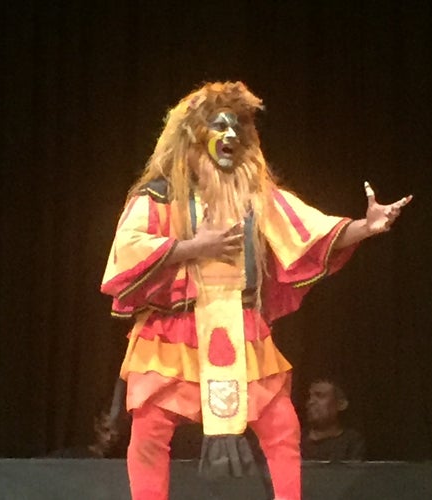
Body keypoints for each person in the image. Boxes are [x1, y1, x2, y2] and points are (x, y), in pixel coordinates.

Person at [100, 81, 412, 500]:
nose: (230, 134)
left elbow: (310, 232)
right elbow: (127, 248)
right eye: (219, 125)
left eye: (236, 127)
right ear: (193, 135)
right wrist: (194, 247)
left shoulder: (256, 198)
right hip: (174, 327)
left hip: (240, 325)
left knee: (281, 425)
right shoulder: (159, 195)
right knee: (150, 429)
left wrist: (366, 227)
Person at [302, 378, 366, 461]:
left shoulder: (352, 442)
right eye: (310, 397)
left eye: (319, 396)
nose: (310, 402)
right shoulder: (294, 439)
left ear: (341, 404)